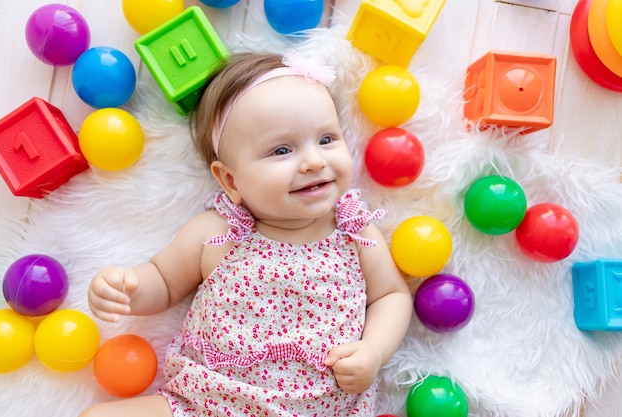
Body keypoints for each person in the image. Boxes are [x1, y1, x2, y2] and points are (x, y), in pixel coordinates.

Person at [80, 51, 412, 417]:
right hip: (206, 404)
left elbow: (391, 296)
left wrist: (374, 351)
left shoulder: (354, 231)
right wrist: (127, 287)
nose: (314, 161)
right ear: (230, 181)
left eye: (326, 139)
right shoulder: (219, 232)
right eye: (281, 150)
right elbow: (164, 280)